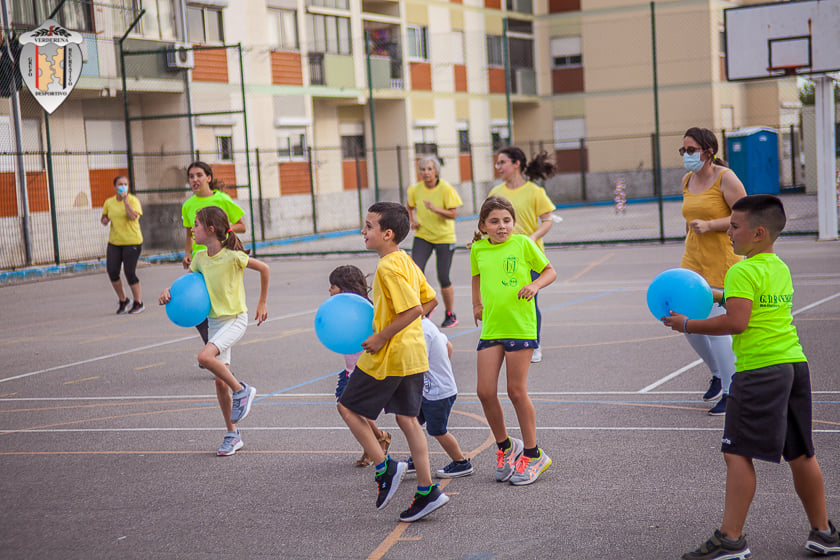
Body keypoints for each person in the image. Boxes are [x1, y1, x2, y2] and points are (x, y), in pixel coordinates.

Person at [663, 195, 839, 559]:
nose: (728, 232)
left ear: (758, 233)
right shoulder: (777, 267)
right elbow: (747, 303)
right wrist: (713, 294)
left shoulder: (741, 271)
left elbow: (737, 321)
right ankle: (824, 532)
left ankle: (731, 539)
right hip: (793, 365)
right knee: (801, 453)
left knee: (737, 452)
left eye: (734, 226)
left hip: (759, 371)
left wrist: (688, 324)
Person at [336, 201, 450, 523]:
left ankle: (385, 468)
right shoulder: (406, 260)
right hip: (413, 353)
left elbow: (413, 309)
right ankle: (427, 491)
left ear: (387, 234)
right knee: (407, 420)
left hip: (391, 355)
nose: (363, 231)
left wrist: (382, 336)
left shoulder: (387, 267)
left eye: (369, 226)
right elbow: (430, 299)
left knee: (346, 407)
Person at [159, 206, 269, 457]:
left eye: (196, 225)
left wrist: (262, 302)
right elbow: (187, 286)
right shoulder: (199, 258)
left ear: (210, 229)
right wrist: (168, 292)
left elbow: (264, 268)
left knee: (204, 357)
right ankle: (233, 435)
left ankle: (242, 390)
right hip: (216, 322)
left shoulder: (233, 256)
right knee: (220, 381)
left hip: (235, 319)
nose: (192, 229)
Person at [471, 196, 557, 486]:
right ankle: (506, 447)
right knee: (484, 391)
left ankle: (533, 455)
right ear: (483, 225)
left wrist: (534, 285)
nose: (502, 226)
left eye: (507, 220)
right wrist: (476, 304)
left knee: (516, 391)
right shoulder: (478, 249)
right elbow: (476, 276)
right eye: (494, 221)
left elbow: (550, 271)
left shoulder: (523, 243)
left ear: (514, 222)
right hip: (492, 327)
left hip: (520, 326)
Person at [678, 127, 747, 415]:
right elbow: (689, 218)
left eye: (691, 150)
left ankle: (732, 392)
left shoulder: (725, 177)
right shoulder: (687, 179)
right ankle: (718, 374)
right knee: (686, 322)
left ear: (708, 152)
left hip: (722, 260)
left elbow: (744, 215)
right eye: (683, 151)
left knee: (718, 328)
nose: (686, 155)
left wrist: (710, 225)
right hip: (693, 260)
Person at [488, 147, 556, 363]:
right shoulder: (496, 192)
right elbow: (488, 221)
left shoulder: (535, 191)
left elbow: (547, 220)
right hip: (503, 257)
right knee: (506, 300)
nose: (498, 167)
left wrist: (532, 237)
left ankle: (534, 344)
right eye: (497, 163)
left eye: (502, 162)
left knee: (529, 299)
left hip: (529, 257)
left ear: (516, 164)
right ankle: (507, 339)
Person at [327, 264, 392, 467]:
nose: (329, 290)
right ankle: (378, 438)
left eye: (333, 286)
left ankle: (376, 444)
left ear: (344, 288)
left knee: (349, 408)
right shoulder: (340, 310)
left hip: (365, 369)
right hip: (350, 370)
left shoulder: (364, 310)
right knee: (353, 410)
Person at [182, 161, 247, 345]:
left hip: (220, 260)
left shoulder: (222, 200)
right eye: (191, 176)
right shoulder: (188, 205)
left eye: (199, 175)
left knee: (217, 305)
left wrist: (221, 229)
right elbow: (188, 233)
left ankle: (215, 347)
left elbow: (241, 226)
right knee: (196, 305)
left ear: (208, 178)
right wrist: (187, 253)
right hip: (200, 261)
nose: (195, 179)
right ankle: (212, 345)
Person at [404, 316, 474, 478]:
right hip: (427, 390)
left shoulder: (422, 332)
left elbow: (416, 363)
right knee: (411, 422)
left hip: (439, 393)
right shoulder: (425, 325)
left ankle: (461, 463)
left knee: (437, 430)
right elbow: (448, 345)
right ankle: (417, 459)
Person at [407, 155, 464, 328]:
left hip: (444, 237)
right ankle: (427, 304)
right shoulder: (415, 189)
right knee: (416, 272)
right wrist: (412, 221)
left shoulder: (446, 189)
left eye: (429, 169)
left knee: (443, 276)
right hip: (423, 235)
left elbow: (453, 214)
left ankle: (450, 314)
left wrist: (435, 209)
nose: (426, 172)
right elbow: (409, 206)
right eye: (423, 169)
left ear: (436, 171)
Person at [101, 175, 144, 314]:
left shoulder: (133, 200)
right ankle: (123, 300)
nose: (123, 187)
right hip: (115, 242)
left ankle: (138, 302)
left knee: (129, 272)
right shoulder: (109, 202)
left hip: (132, 241)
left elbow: (133, 216)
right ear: (114, 187)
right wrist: (105, 219)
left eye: (125, 184)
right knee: (112, 271)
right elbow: (104, 217)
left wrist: (125, 200)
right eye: (120, 184)